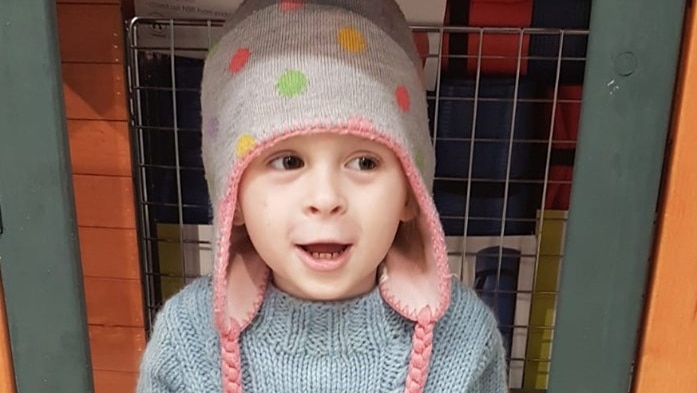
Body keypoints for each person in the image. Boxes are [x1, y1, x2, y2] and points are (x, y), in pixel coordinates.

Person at [136, 0, 508, 392]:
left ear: (410, 193)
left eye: (365, 162)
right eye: (287, 161)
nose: (326, 197)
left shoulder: (465, 340)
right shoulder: (187, 340)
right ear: (234, 195)